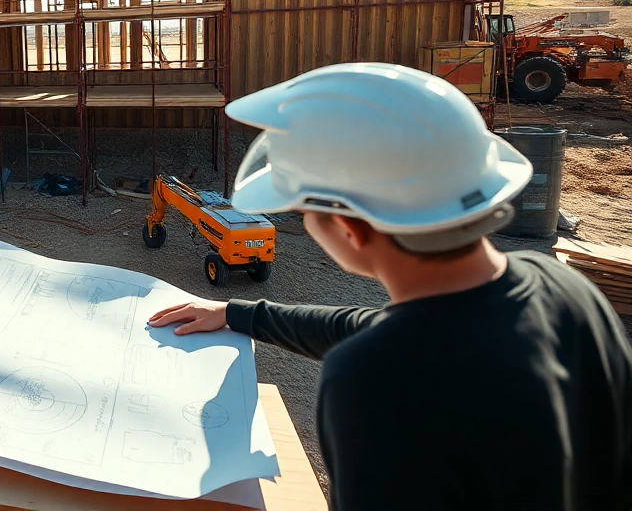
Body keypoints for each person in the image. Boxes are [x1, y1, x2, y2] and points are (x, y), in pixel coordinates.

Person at [148, 62, 632, 511]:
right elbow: (381, 330)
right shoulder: (564, 288)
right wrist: (238, 314)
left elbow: (388, 346)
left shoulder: (371, 377)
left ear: (349, 231)